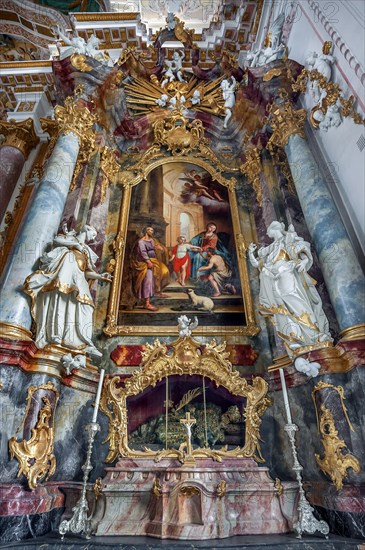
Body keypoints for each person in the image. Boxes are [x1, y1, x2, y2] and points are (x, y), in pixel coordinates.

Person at [23, 225, 111, 357]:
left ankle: (82, 342)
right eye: (93, 234)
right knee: (60, 302)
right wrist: (76, 245)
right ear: (86, 230)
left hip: (79, 278)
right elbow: (56, 241)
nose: (93, 237)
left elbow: (86, 271)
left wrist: (99, 276)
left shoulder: (86, 250)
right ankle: (55, 335)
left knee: (87, 307)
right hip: (65, 274)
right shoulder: (69, 239)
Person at [248, 221, 332, 356]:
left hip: (287, 275)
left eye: (268, 231)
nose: (268, 234)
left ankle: (315, 334)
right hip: (274, 281)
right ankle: (295, 337)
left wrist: (304, 261)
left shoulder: (288, 238)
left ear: (273, 229)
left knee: (297, 301)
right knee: (282, 310)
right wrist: (251, 254)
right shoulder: (271, 248)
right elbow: (257, 263)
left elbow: (301, 249)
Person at [131, 226, 169, 311]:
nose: (152, 231)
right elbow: (143, 252)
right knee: (148, 280)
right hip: (145, 263)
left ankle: (158, 292)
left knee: (164, 272)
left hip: (154, 261)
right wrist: (148, 261)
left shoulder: (152, 240)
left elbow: (154, 248)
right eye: (150, 230)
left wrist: (159, 249)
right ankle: (147, 303)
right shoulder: (141, 241)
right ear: (145, 231)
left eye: (152, 230)